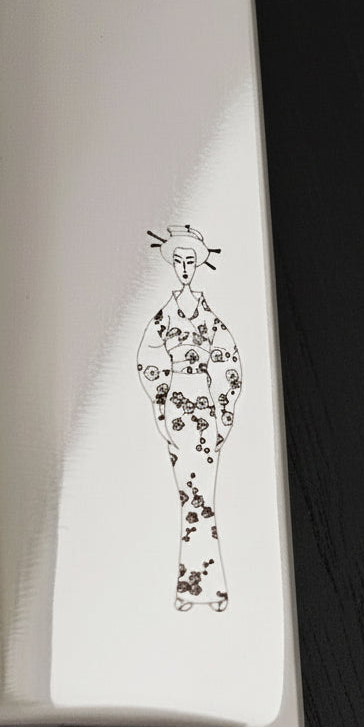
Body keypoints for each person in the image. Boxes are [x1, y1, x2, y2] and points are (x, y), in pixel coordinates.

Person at [137, 226, 241, 611]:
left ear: (198, 265)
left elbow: (229, 361)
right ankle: (189, 588)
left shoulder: (208, 316)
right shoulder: (164, 317)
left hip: (205, 404)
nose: (184, 268)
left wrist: (222, 409)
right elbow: (148, 359)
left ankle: (210, 589)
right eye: (178, 261)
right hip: (178, 408)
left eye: (190, 261)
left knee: (205, 497)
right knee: (188, 497)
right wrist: (163, 404)